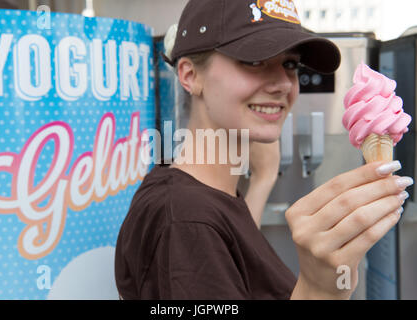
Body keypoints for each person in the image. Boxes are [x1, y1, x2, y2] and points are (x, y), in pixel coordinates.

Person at [114, 0, 413, 300]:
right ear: (190, 76)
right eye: (254, 60)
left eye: (291, 64)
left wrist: (263, 179)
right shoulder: (185, 222)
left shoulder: (208, 192)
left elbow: (238, 262)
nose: (283, 83)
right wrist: (319, 290)